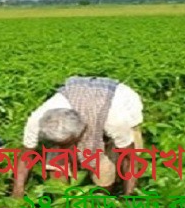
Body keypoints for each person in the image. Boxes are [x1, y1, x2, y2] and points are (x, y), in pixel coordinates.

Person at [11, 76, 144, 198]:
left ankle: (102, 200)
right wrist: (17, 193)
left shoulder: (115, 120)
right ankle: (62, 200)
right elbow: (26, 156)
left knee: (106, 166)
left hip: (120, 98)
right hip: (75, 96)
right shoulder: (38, 120)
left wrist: (130, 197)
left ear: (81, 132)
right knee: (56, 162)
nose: (66, 148)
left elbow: (130, 159)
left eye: (69, 143)